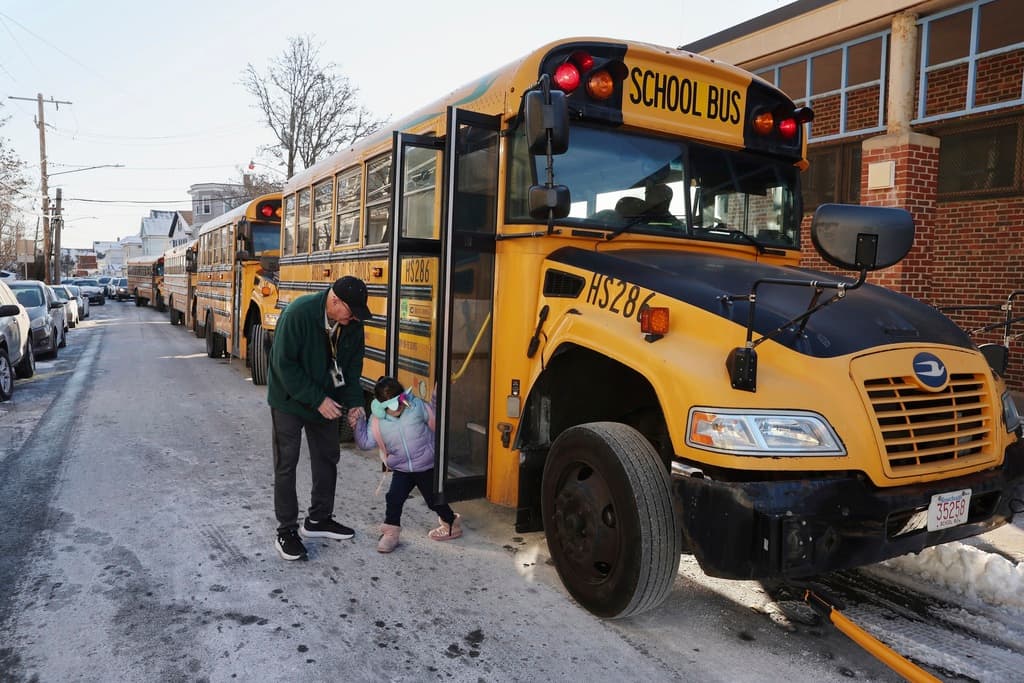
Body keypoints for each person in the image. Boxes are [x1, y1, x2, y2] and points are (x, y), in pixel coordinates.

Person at [268, 275, 371, 561]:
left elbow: (350, 369)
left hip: (327, 399)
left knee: (328, 456)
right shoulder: (298, 314)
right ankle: (286, 530)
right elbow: (283, 365)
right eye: (350, 312)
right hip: (289, 399)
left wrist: (354, 404)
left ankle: (318, 520)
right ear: (334, 301)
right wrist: (317, 399)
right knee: (286, 462)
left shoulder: (352, 324)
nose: (353, 319)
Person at [349, 376, 462, 553]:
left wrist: (436, 396)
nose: (398, 408)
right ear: (381, 405)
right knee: (393, 498)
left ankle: (451, 522)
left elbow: (436, 416)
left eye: (400, 401)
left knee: (434, 501)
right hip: (402, 469)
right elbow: (365, 443)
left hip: (425, 465)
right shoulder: (377, 421)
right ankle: (391, 534)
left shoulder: (416, 406)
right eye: (392, 405)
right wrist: (358, 423)